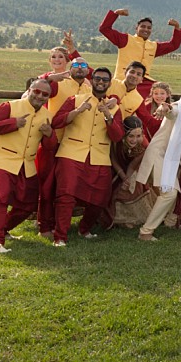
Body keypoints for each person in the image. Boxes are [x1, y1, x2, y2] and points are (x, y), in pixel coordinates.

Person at [50, 67, 125, 247]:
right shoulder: (75, 100)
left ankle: (84, 229)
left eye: (105, 80)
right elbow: (56, 122)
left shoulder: (114, 108)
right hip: (71, 153)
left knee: (101, 197)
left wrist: (108, 115)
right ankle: (60, 236)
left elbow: (117, 136)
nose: (101, 82)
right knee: (66, 195)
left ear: (109, 83)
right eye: (97, 78)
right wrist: (77, 111)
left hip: (99, 156)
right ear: (92, 80)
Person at [0, 79, 56, 252]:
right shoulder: (9, 106)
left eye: (45, 94)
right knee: (0, 200)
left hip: (27, 165)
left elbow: (50, 147)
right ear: (30, 90)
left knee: (28, 203)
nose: (40, 96)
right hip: (2, 160)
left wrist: (50, 134)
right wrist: (13, 123)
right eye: (37, 91)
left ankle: (4, 229)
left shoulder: (48, 116)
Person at [135, 84, 181, 240]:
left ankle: (170, 221)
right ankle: (146, 232)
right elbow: (170, 111)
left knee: (176, 189)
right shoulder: (179, 107)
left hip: (170, 158)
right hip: (159, 155)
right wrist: (164, 108)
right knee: (169, 194)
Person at [35, 55, 92, 239]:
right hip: (54, 139)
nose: (80, 68)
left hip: (75, 143)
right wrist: (49, 78)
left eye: (84, 65)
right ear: (70, 68)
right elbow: (35, 88)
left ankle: (59, 223)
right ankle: (44, 226)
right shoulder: (59, 83)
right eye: (76, 65)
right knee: (47, 185)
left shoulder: (88, 87)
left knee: (63, 187)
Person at [99, 7, 181, 99]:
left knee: (159, 91)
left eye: (149, 28)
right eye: (143, 26)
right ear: (136, 28)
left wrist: (177, 27)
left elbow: (173, 45)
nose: (146, 29)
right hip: (123, 80)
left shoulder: (154, 46)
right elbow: (104, 29)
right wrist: (116, 13)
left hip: (143, 83)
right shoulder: (125, 39)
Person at [99, 116, 156, 230]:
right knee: (114, 190)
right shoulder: (116, 141)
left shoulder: (143, 146)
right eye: (131, 136)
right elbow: (113, 159)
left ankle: (131, 218)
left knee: (132, 186)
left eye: (138, 136)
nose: (134, 140)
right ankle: (115, 219)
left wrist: (127, 179)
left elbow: (132, 165)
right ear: (124, 134)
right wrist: (122, 176)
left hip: (132, 170)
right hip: (114, 169)